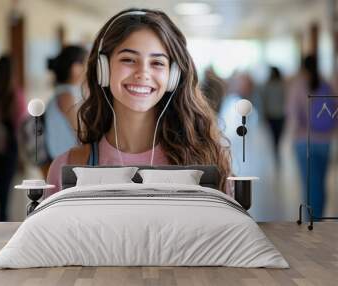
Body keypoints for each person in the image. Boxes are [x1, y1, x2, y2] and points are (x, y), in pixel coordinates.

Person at [45, 8, 231, 198]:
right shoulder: (65, 168)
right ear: (104, 70)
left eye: (157, 63)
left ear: (173, 76)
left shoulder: (206, 158)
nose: (143, 72)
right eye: (128, 59)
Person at [287, 55, 337, 219]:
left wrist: (292, 139)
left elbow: (293, 116)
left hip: (304, 142)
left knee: (309, 185)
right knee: (321, 184)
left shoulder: (298, 86)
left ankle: (312, 221)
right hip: (324, 141)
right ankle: (320, 218)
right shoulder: (326, 85)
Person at [0, 55, 26, 221]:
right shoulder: (15, 93)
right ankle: (3, 218)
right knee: (5, 189)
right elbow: (21, 124)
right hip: (9, 147)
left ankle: (1, 216)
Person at [44, 45, 88, 161]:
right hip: (67, 162)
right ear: (74, 68)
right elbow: (83, 133)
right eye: (85, 63)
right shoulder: (66, 96)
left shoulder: (67, 92)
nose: (87, 69)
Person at [262, 66, 286, 161]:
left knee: (274, 135)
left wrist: (264, 113)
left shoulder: (268, 85)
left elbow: (265, 100)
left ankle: (275, 149)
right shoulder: (282, 85)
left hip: (272, 114)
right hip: (280, 114)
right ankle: (276, 149)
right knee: (277, 135)